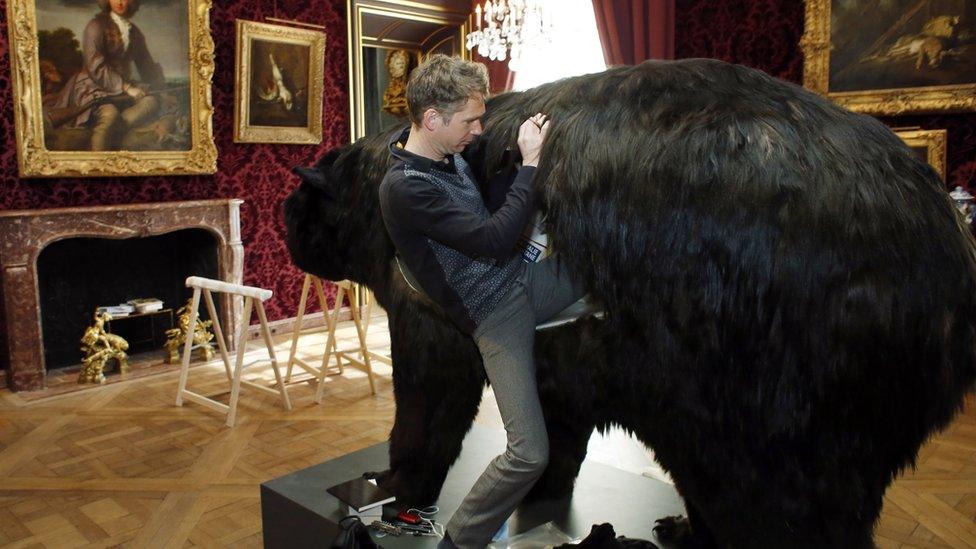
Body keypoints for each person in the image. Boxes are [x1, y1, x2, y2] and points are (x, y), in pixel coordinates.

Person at [378, 54, 584, 549]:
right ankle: (460, 540)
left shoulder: (445, 152)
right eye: (470, 120)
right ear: (432, 119)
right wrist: (532, 162)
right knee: (529, 453)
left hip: (524, 281)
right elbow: (493, 240)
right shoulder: (406, 188)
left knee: (613, 266)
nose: (478, 128)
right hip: (496, 318)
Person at [51, 0, 165, 150]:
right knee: (109, 115)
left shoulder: (134, 32)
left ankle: (117, 129)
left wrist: (160, 88)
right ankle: (99, 163)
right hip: (93, 85)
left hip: (122, 87)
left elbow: (146, 64)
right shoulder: (96, 25)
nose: (119, 2)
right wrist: (125, 87)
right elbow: (94, 64)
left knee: (150, 102)